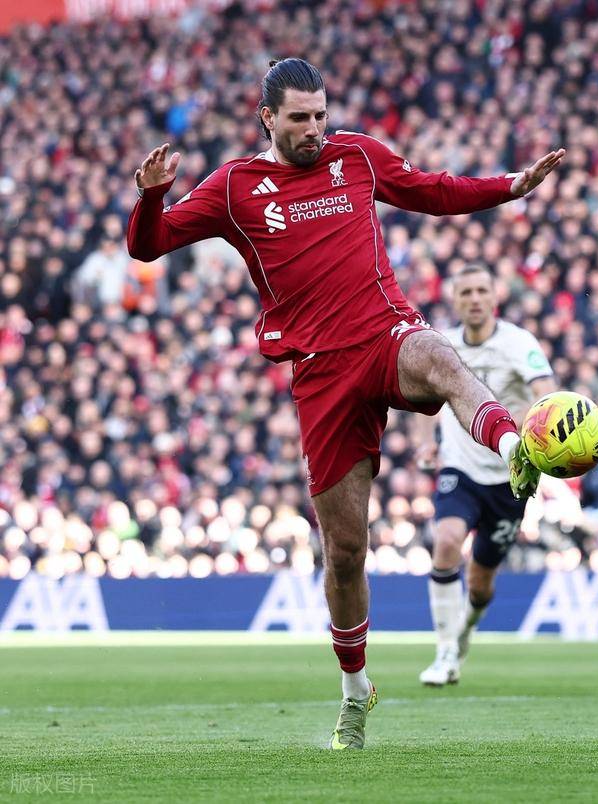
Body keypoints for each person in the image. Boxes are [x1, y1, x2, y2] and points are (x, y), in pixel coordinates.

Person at [126, 58, 564, 749]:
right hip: (321, 374)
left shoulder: (355, 156)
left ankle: (516, 445)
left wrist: (511, 185)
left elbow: (432, 190)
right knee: (346, 550)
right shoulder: (235, 187)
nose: (315, 129)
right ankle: (356, 690)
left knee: (439, 354)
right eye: (300, 118)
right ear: (268, 118)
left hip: (385, 334)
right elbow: (148, 245)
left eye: (321, 115)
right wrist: (153, 196)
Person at [417, 265, 556, 686]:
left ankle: (464, 634)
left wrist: (529, 420)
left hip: (511, 475)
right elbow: (424, 398)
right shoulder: (442, 345)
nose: (475, 299)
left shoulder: (519, 343)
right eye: (466, 293)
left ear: (495, 297)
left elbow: (546, 394)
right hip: (459, 467)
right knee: (446, 542)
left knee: (480, 585)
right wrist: (427, 443)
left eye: (482, 291)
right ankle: (444, 651)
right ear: (455, 300)